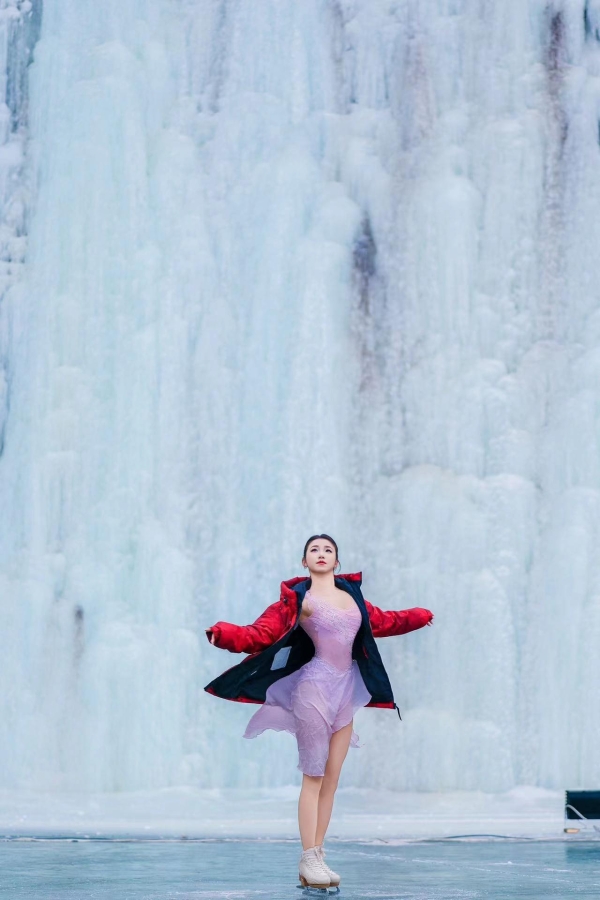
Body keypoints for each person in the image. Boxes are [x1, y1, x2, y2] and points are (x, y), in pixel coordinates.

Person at [204, 534, 434, 891]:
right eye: (314, 550)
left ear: (337, 561)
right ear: (304, 561)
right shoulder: (301, 600)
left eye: (328, 550)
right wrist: (224, 634)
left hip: (346, 691)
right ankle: (308, 856)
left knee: (331, 780)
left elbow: (385, 621)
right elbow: (260, 633)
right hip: (313, 689)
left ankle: (318, 855)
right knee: (313, 777)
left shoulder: (352, 598)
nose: (321, 554)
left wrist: (418, 617)